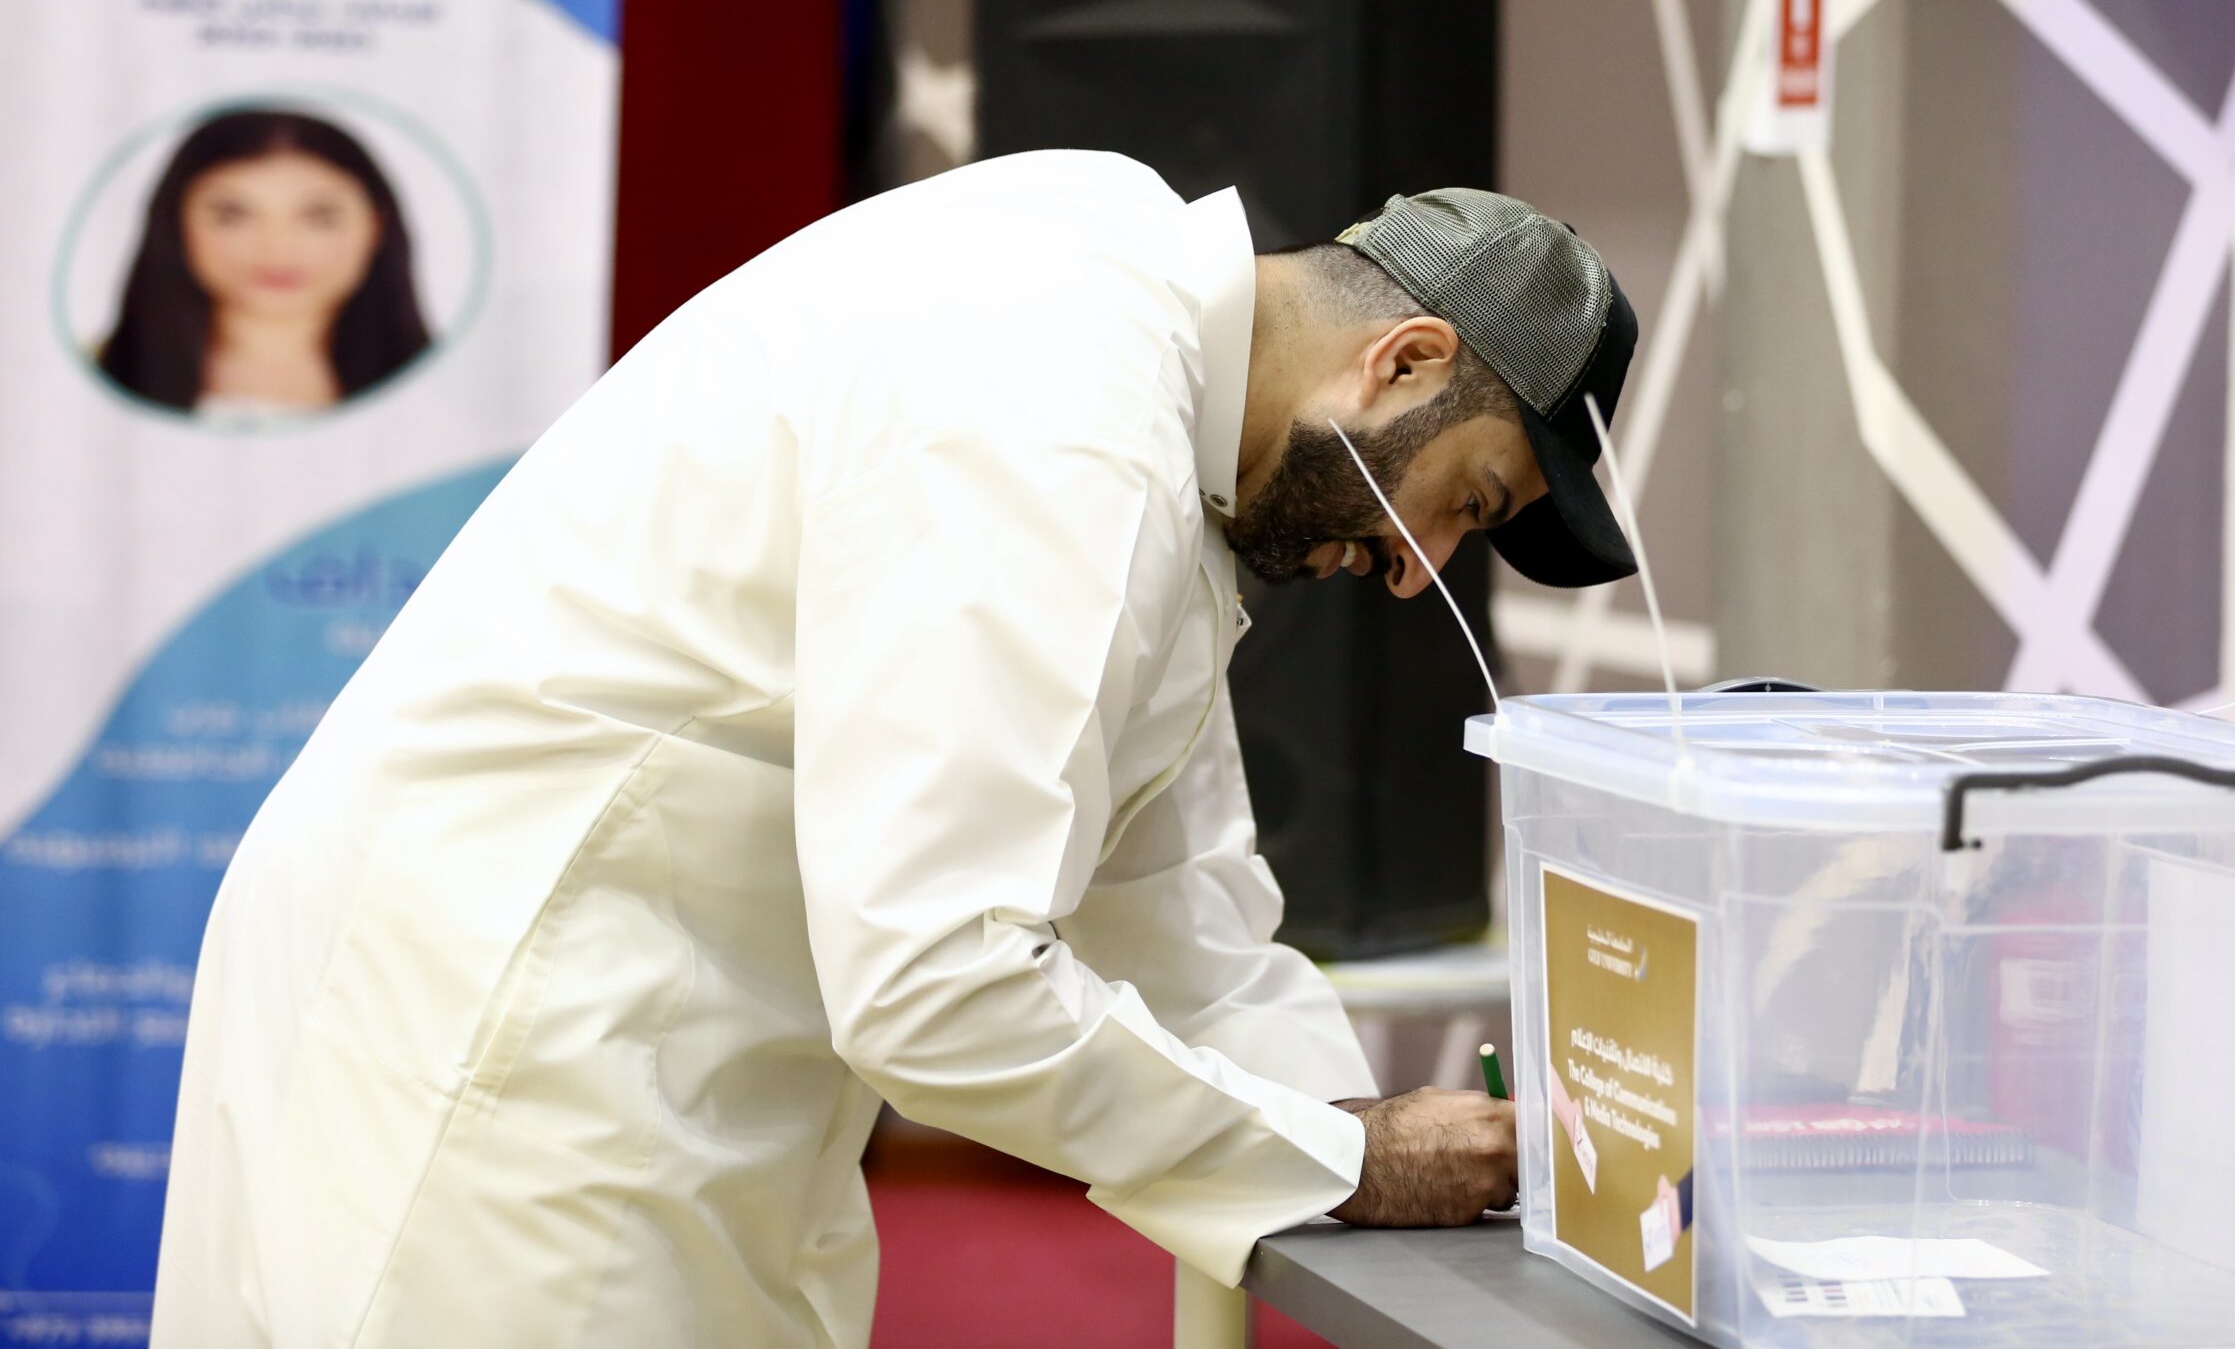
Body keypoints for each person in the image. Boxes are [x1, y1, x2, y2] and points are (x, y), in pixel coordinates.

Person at [154, 151, 1641, 1348]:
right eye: (1466, 502)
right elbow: (940, 979)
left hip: (627, 1017)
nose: (1418, 572)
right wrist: (1343, 1157)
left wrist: (1374, 1140)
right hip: (500, 1027)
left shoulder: (1131, 367)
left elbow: (1166, 893)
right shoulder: (1057, 396)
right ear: (1403, 360)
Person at [97, 107, 432, 419]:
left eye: (319, 217)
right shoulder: (88, 374)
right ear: (176, 223)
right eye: (233, 216)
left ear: (376, 225)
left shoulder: (446, 383)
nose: (277, 248)